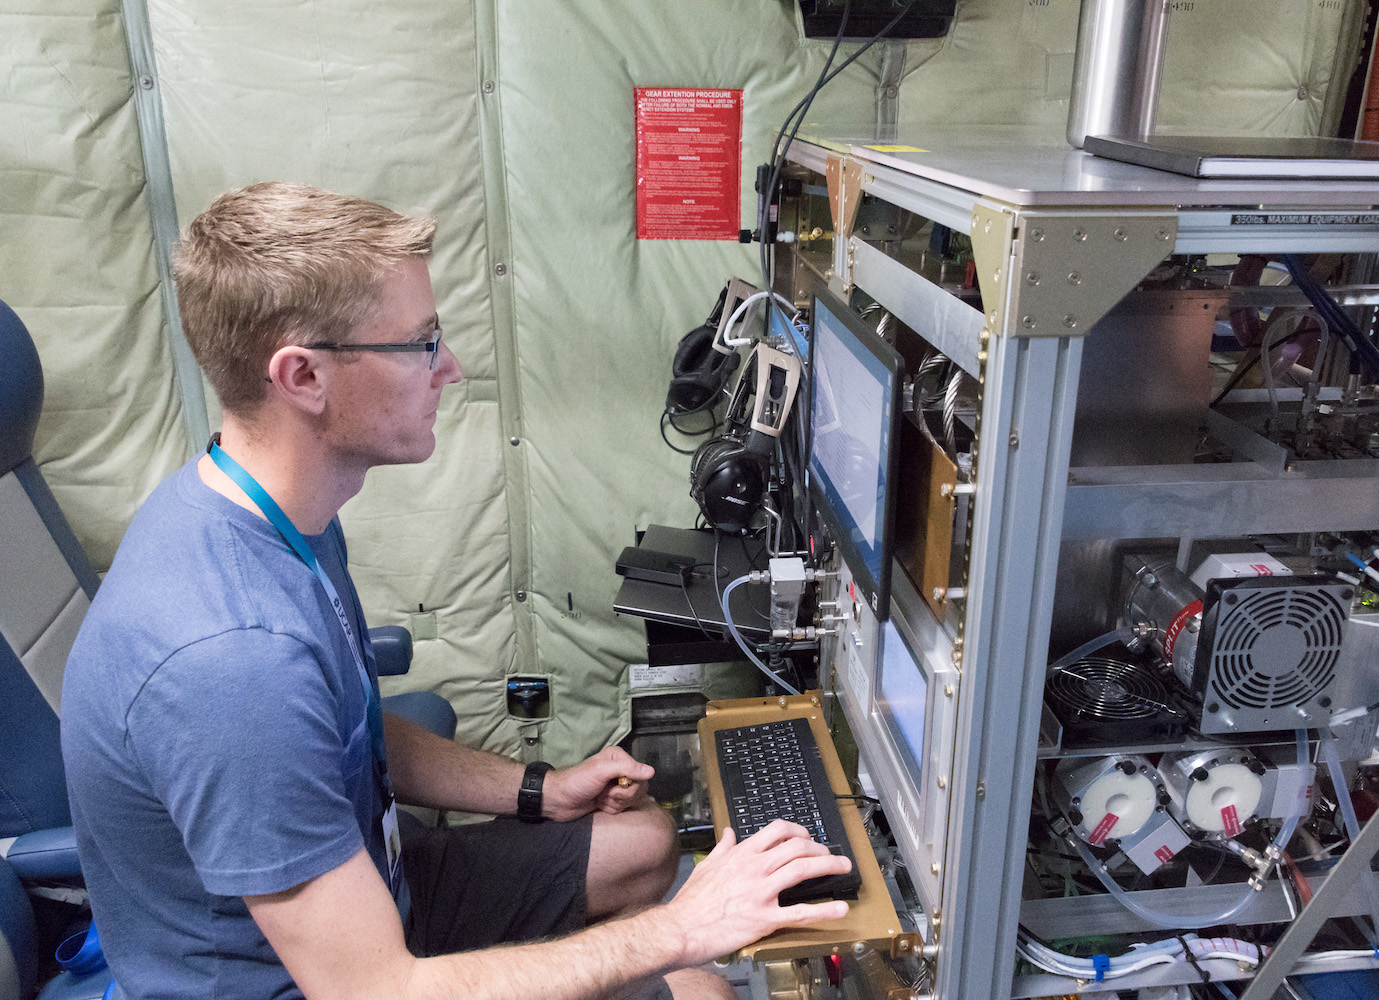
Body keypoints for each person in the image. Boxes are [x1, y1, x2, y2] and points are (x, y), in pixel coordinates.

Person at [60, 182, 851, 1000]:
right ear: (302, 376)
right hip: (323, 979)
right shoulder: (230, 663)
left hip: (381, 882)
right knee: (699, 984)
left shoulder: (273, 515)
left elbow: (346, 727)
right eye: (419, 343)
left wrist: (537, 789)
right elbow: (375, 989)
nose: (451, 367)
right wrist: (683, 929)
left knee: (642, 845)